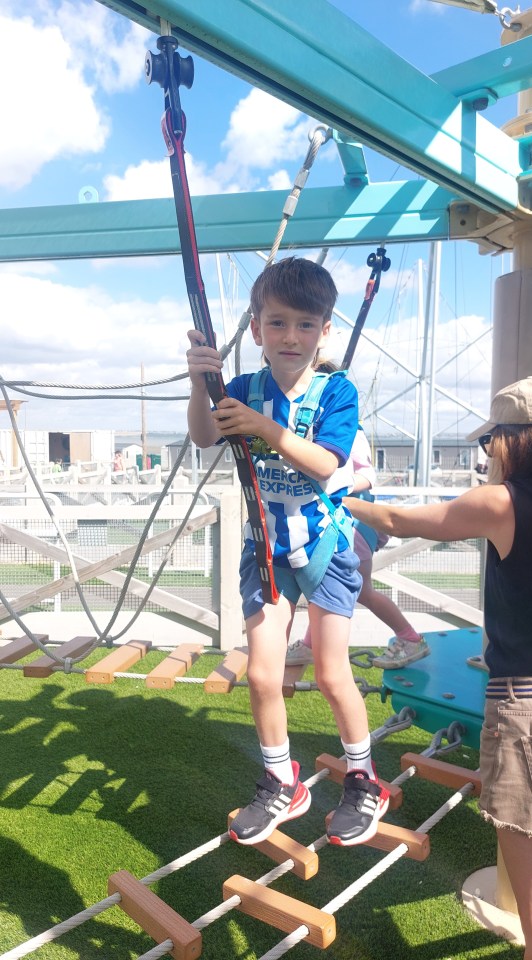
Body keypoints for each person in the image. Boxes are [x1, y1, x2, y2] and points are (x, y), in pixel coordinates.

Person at [187, 256, 389, 848]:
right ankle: (282, 779)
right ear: (256, 329)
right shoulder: (244, 388)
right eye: (277, 323)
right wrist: (203, 384)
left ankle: (363, 778)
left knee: (330, 672)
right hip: (267, 550)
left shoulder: (336, 390)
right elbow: (205, 434)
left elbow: (326, 462)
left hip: (326, 544)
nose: (291, 336)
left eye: (305, 324)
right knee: (262, 672)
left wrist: (263, 428)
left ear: (325, 330)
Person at [343, 375, 532, 959]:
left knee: (524, 828)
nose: (488, 455)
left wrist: (334, 498)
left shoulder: (502, 502)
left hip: (526, 695)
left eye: (491, 444)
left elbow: (401, 522)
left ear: (512, 441)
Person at [287, 421, 429, 669]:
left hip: (350, 525)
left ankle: (410, 638)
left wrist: (331, 483)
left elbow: (366, 476)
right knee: (324, 585)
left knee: (357, 590)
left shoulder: (347, 426)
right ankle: (310, 645)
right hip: (341, 523)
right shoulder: (321, 423)